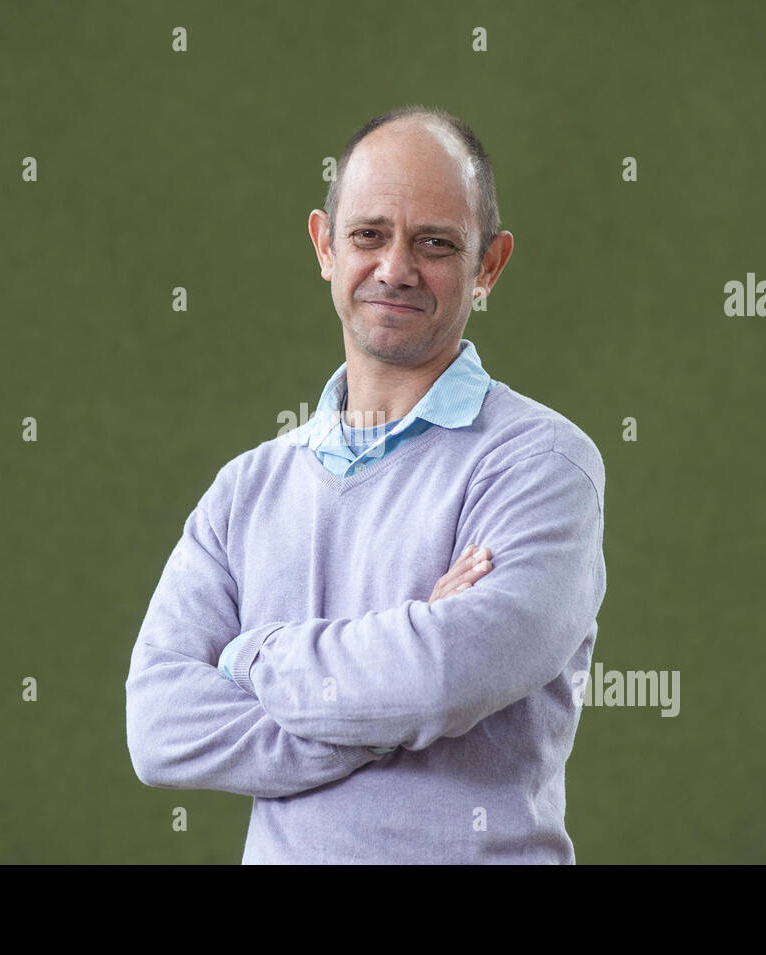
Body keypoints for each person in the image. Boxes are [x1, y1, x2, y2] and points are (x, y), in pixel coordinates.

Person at [125, 105, 606, 863]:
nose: (395, 268)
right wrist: (400, 667)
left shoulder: (541, 464)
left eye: (435, 243)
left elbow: (446, 677)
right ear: (324, 245)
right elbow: (159, 727)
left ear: (490, 264)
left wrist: (256, 652)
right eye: (368, 235)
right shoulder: (244, 490)